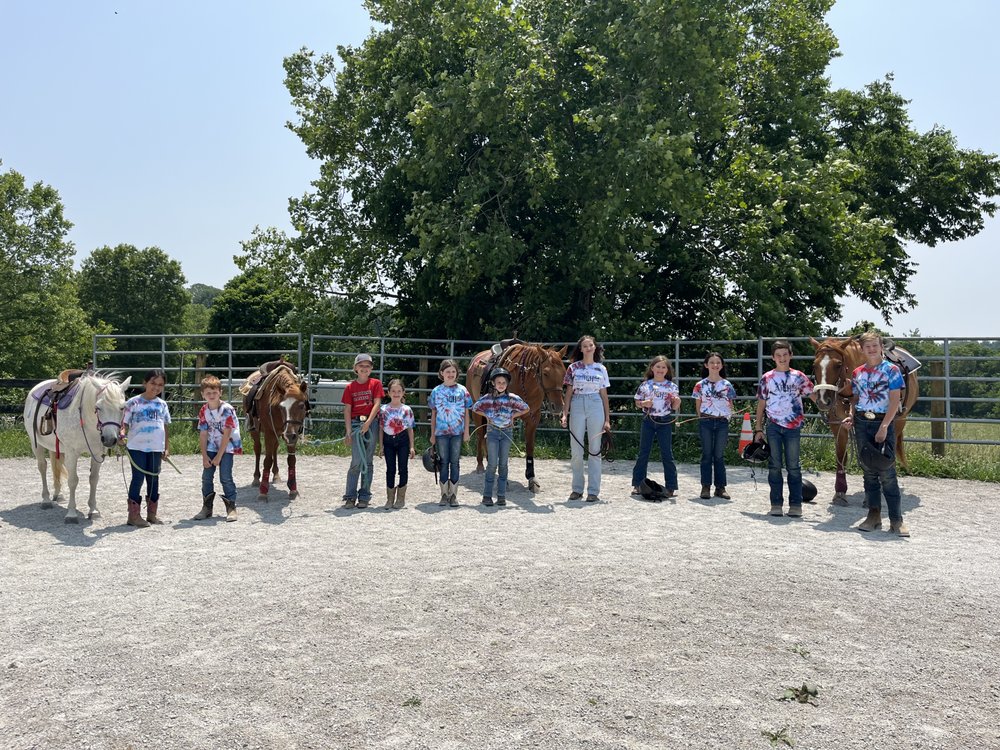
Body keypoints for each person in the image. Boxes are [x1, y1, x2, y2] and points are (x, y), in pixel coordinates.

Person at [842, 332, 910, 536]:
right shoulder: (857, 373)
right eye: (867, 347)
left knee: (887, 472)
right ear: (862, 350)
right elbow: (856, 398)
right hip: (862, 422)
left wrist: (885, 426)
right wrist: (851, 416)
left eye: (874, 346)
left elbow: (894, 400)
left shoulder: (892, 370)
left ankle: (897, 520)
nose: (871, 350)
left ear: (881, 346)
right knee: (869, 471)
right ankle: (873, 515)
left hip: (882, 421)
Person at [754, 340, 816, 517]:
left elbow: (813, 396)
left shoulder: (799, 377)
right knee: (774, 465)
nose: (782, 358)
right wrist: (758, 428)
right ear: (773, 357)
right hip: (773, 425)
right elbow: (761, 404)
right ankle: (776, 503)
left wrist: (830, 405)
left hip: (793, 427)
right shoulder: (767, 378)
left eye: (785, 355)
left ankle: (796, 504)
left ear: (791, 356)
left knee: (793, 466)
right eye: (778, 355)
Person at [560, 335, 611, 502]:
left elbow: (604, 396)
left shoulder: (601, 369)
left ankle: (593, 491)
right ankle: (577, 488)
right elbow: (568, 392)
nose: (588, 348)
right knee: (576, 450)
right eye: (585, 346)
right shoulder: (573, 368)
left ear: (595, 348)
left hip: (595, 403)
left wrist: (607, 419)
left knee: (595, 450)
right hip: (578, 403)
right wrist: (565, 413)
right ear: (580, 349)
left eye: (591, 345)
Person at [120, 368, 172, 527]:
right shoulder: (133, 403)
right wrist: (121, 434)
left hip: (156, 448)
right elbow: (124, 423)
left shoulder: (162, 404)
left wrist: (166, 447)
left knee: (154, 479)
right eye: (153, 383)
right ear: (145, 383)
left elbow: (165, 427)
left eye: (160, 385)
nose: (156, 387)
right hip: (137, 447)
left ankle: (152, 514)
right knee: (138, 478)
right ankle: (133, 516)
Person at [471, 368, 531, 507]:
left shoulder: (512, 398)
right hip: (492, 432)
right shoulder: (487, 398)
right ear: (493, 383)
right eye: (498, 382)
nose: (501, 384)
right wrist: (487, 416)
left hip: (506, 432)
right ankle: (487, 495)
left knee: (503, 464)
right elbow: (475, 407)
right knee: (492, 464)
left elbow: (526, 408)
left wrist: (512, 416)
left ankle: (501, 495)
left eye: (504, 382)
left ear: (507, 383)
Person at [630, 355, 681, 499]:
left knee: (667, 454)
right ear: (652, 368)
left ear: (667, 370)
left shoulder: (672, 386)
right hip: (648, 420)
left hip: (664, 421)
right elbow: (637, 402)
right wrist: (644, 403)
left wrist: (677, 401)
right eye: (657, 367)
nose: (660, 369)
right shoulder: (645, 385)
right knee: (643, 452)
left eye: (663, 367)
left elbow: (675, 406)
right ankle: (638, 484)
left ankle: (671, 486)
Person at [194, 375, 242, 522]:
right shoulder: (204, 410)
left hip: (226, 447)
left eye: (214, 392)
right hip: (211, 446)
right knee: (206, 477)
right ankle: (207, 507)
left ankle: (231, 507)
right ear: (203, 394)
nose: (211, 395)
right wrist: (204, 456)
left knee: (225, 477)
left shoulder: (227, 409)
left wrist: (218, 457)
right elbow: (203, 434)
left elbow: (227, 434)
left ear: (220, 392)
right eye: (208, 393)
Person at [342, 353, 384, 509]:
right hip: (355, 424)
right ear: (355, 368)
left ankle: (365, 496)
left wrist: (368, 422)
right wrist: (348, 432)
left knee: (368, 460)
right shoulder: (350, 388)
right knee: (356, 461)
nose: (364, 368)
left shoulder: (376, 384)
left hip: (370, 423)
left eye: (367, 366)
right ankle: (350, 496)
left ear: (371, 369)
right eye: (361, 366)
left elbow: (377, 404)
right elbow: (347, 410)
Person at [693, 352, 737, 500]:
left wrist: (729, 414)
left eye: (718, 362)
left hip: (722, 422)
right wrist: (701, 417)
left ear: (721, 365)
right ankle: (705, 486)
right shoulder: (700, 385)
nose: (715, 365)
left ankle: (720, 487)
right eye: (712, 362)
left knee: (718, 455)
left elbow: (730, 404)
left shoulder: (727, 385)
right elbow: (698, 404)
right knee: (706, 454)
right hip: (706, 421)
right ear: (706, 365)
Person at [428, 359, 472, 507]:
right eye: (448, 372)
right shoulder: (436, 391)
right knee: (443, 461)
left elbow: (467, 412)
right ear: (442, 373)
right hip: (441, 432)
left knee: (455, 462)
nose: (450, 374)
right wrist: (432, 433)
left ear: (457, 373)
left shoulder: (463, 391)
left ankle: (453, 494)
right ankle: (443, 494)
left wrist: (466, 431)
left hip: (457, 432)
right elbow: (433, 413)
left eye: (453, 371)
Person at [376, 378, 416, 510]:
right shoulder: (383, 409)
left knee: (403, 468)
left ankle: (401, 497)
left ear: (403, 392)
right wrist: (380, 445)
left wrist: (411, 446)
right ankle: (390, 498)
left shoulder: (407, 410)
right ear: (388, 392)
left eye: (399, 391)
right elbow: (381, 428)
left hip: (403, 440)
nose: (396, 393)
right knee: (390, 469)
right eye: (393, 391)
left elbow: (410, 429)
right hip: (388, 441)